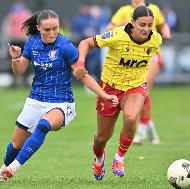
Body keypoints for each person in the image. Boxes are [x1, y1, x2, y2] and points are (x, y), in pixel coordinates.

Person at [0, 10, 118, 182]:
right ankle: (4, 169)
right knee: (16, 145)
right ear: (38, 28)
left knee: (44, 125)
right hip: (36, 100)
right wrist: (16, 59)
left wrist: (103, 94)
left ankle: (14, 167)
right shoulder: (32, 43)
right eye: (47, 30)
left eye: (55, 28)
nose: (52, 33)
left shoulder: (65, 46)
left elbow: (82, 75)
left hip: (62, 102)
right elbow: (19, 71)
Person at [73, 6, 162, 180]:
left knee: (130, 118)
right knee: (101, 137)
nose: (146, 29)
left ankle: (119, 158)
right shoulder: (117, 35)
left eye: (150, 25)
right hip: (109, 89)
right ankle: (99, 158)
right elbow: (85, 43)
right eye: (142, 24)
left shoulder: (156, 40)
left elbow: (153, 59)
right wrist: (81, 63)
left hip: (135, 87)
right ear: (133, 23)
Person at [107, 0, 171, 145]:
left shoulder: (153, 8)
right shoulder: (124, 10)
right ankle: (151, 130)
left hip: (152, 56)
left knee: (142, 91)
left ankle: (141, 132)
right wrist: (121, 23)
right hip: (133, 57)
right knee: (137, 94)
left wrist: (167, 33)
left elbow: (162, 24)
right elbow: (108, 29)